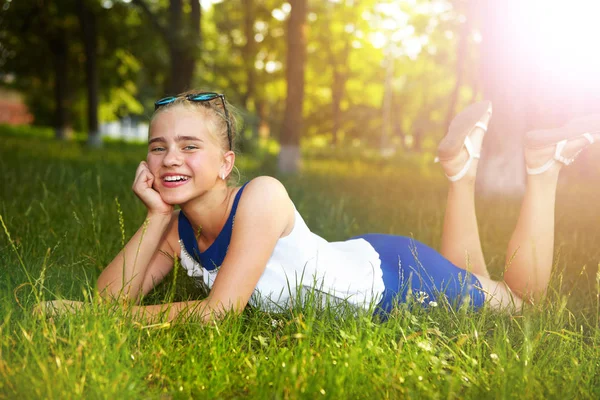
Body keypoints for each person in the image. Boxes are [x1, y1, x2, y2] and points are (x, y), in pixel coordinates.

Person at [39, 92, 599, 321]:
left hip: (393, 283)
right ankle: (461, 172)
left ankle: (542, 169)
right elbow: (109, 300)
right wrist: (156, 215)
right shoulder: (174, 228)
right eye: (158, 147)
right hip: (368, 254)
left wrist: (87, 317)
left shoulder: (260, 196)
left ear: (226, 162)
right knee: (475, 277)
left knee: (523, 303)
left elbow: (218, 315)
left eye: (190, 146)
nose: (169, 159)